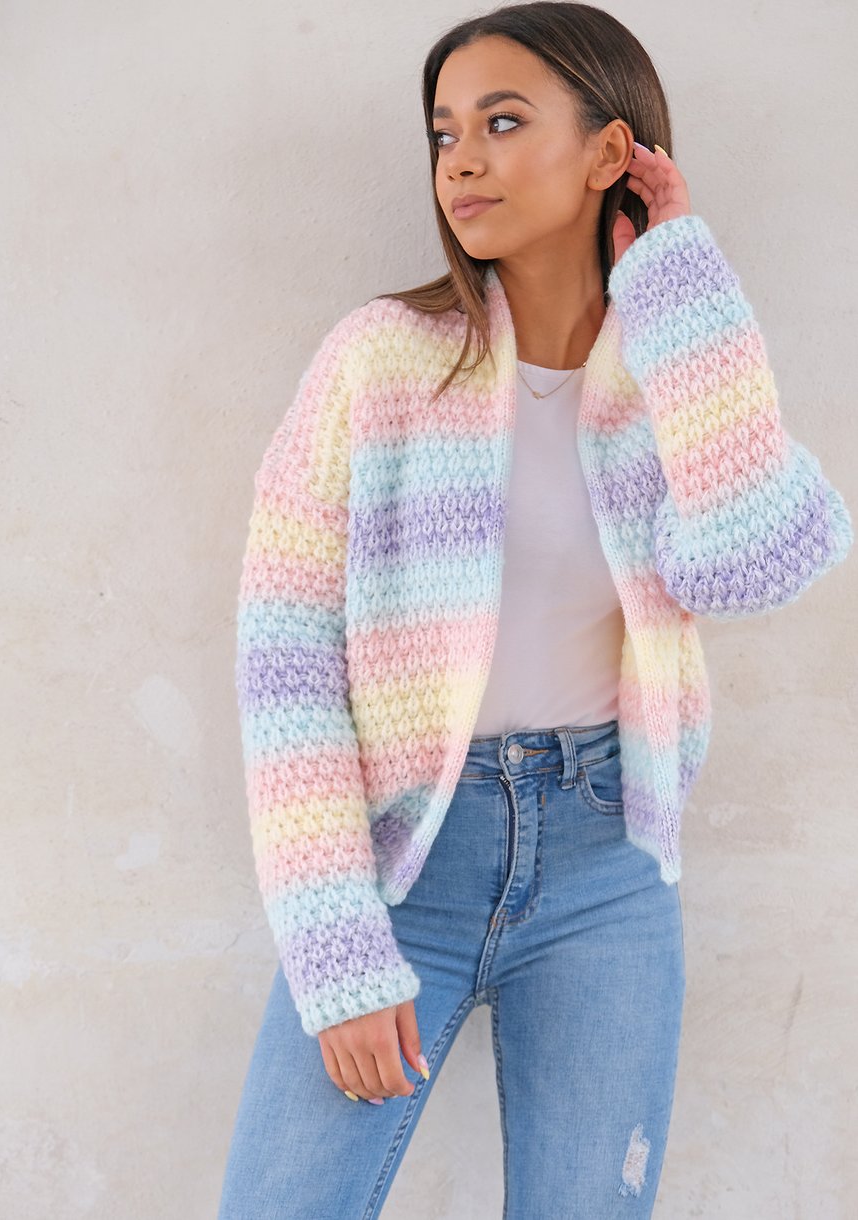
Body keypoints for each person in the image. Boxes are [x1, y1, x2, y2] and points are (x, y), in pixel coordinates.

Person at [217, 4, 853, 1217]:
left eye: (501, 123)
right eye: (443, 131)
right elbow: (285, 663)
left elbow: (752, 561)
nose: (460, 159)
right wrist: (334, 940)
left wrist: (679, 279)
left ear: (610, 150)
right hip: (405, 861)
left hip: (607, 861)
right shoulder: (378, 361)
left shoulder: (674, 366)